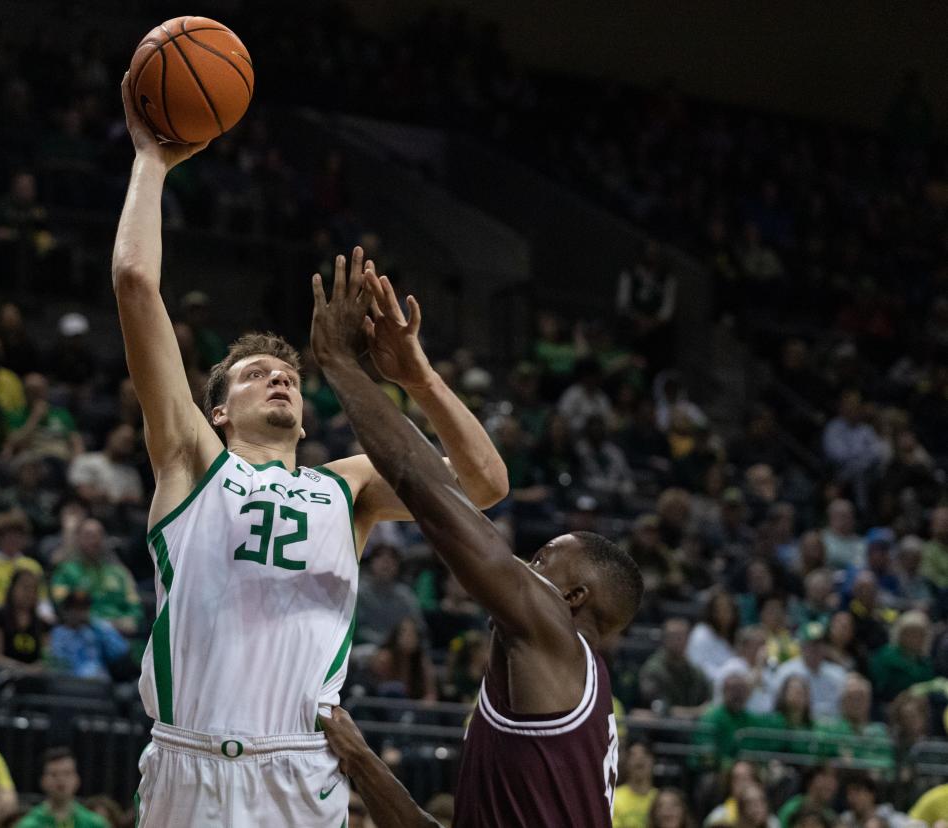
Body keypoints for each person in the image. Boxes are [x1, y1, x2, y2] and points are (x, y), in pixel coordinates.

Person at [114, 74, 507, 827]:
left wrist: (417, 376)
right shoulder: (193, 461)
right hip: (186, 761)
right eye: (258, 375)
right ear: (219, 410)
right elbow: (135, 283)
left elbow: (485, 483)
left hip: (298, 767)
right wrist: (151, 161)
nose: (280, 380)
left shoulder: (346, 487)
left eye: (289, 374)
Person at [311, 262, 640, 826]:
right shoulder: (557, 700)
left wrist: (342, 365)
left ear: (575, 598)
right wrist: (361, 762)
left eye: (539, 563)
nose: (519, 564)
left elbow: (430, 493)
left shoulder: (553, 637)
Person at [49, 519, 143, 636]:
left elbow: (134, 604)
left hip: (120, 631)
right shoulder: (66, 571)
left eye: (99, 535)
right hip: (83, 631)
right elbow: (61, 602)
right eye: (88, 535)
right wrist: (96, 622)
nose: (94, 540)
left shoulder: (120, 573)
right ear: (78, 539)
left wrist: (130, 619)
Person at [770, 622, 847, 720]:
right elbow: (776, 704)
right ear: (801, 647)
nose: (815, 649)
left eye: (819, 644)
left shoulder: (838, 673)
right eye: (810, 645)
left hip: (831, 728)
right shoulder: (786, 671)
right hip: (798, 726)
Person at [638, 617, 712, 715]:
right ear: (664, 639)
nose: (677, 641)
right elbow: (659, 708)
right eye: (673, 637)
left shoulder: (694, 671)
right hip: (660, 727)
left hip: (693, 727)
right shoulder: (653, 670)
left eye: (681, 637)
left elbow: (708, 701)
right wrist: (696, 711)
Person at [15, 749, 106, 828]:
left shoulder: (94, 824)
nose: (61, 780)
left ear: (77, 779)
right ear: (43, 781)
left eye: (67, 773)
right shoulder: (28, 825)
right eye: (54, 774)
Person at [48, 591, 127, 679]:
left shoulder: (95, 630)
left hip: (99, 682)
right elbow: (58, 663)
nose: (80, 613)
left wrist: (95, 625)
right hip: (71, 683)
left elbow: (121, 650)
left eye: (84, 608)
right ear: (66, 610)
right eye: (76, 608)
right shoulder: (58, 634)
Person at [0, 568, 47, 669]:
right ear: (12, 589)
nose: (29, 593)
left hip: (34, 678)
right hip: (2, 674)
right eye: (25, 587)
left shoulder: (42, 624)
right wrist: (23, 669)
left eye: (34, 589)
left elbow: (45, 658)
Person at [612, 742, 657, 828]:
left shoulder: (660, 800)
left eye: (645, 754)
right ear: (626, 763)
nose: (639, 758)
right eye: (633, 755)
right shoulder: (614, 798)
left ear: (653, 761)